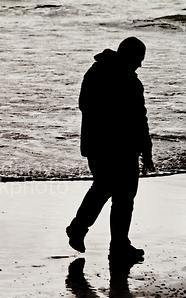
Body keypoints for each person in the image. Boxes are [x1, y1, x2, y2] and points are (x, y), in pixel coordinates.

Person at [66, 37, 155, 262]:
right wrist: (145, 149)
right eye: (139, 59)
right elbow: (137, 118)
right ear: (129, 55)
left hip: (105, 145)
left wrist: (145, 149)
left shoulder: (98, 72)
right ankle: (89, 233)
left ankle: (110, 242)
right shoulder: (120, 78)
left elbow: (86, 105)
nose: (140, 65)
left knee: (112, 191)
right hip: (113, 146)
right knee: (114, 192)